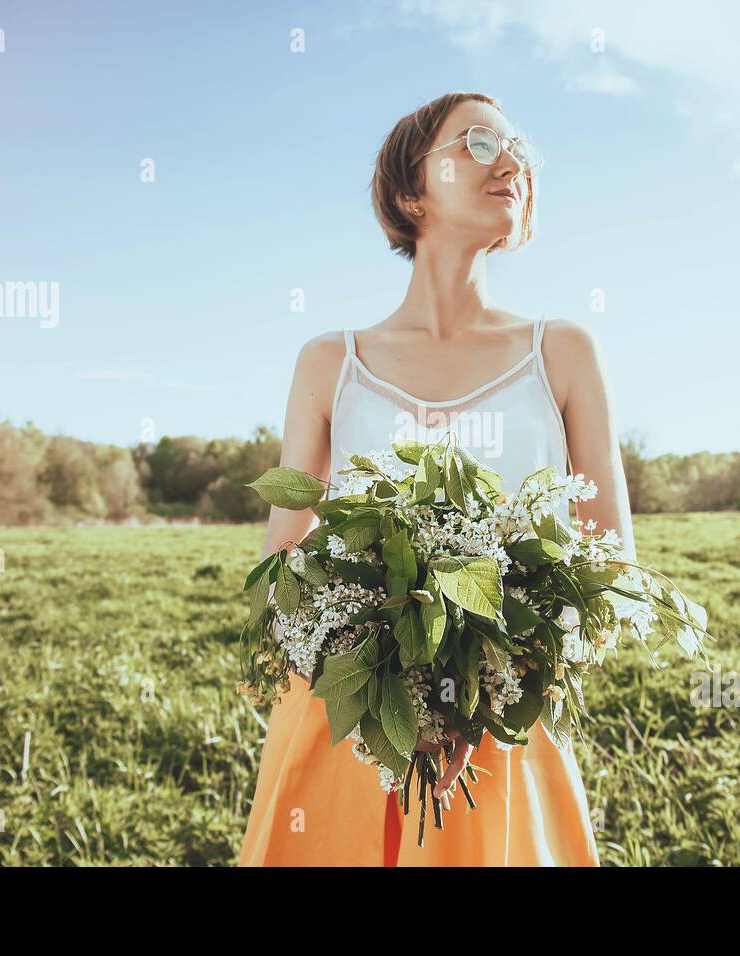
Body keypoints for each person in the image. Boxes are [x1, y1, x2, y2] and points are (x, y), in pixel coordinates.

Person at [238, 91, 635, 866]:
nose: (511, 160)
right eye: (479, 142)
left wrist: (476, 685)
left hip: (501, 732)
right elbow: (286, 559)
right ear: (409, 190)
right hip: (348, 725)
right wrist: (386, 682)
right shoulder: (330, 363)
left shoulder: (564, 352)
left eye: (518, 146)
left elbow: (611, 561)